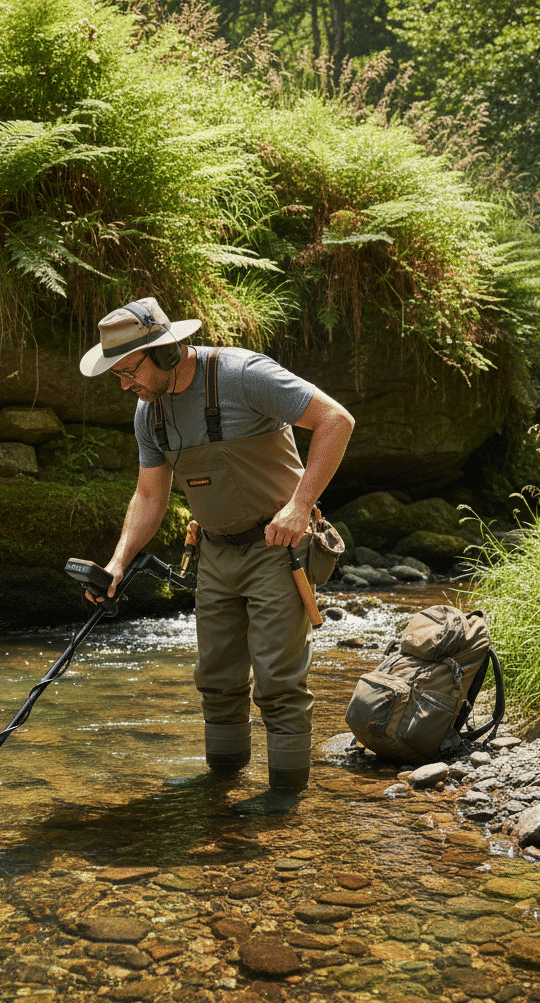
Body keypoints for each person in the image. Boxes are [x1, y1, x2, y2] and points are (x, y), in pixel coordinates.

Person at [79, 297, 354, 792]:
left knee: (278, 682)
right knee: (216, 678)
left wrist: (298, 506)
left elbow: (337, 421)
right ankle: (220, 784)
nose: (125, 385)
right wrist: (118, 562)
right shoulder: (149, 414)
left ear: (164, 352)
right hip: (213, 554)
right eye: (116, 376)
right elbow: (148, 495)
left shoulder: (243, 374)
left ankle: (286, 795)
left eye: (127, 371)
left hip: (280, 551)